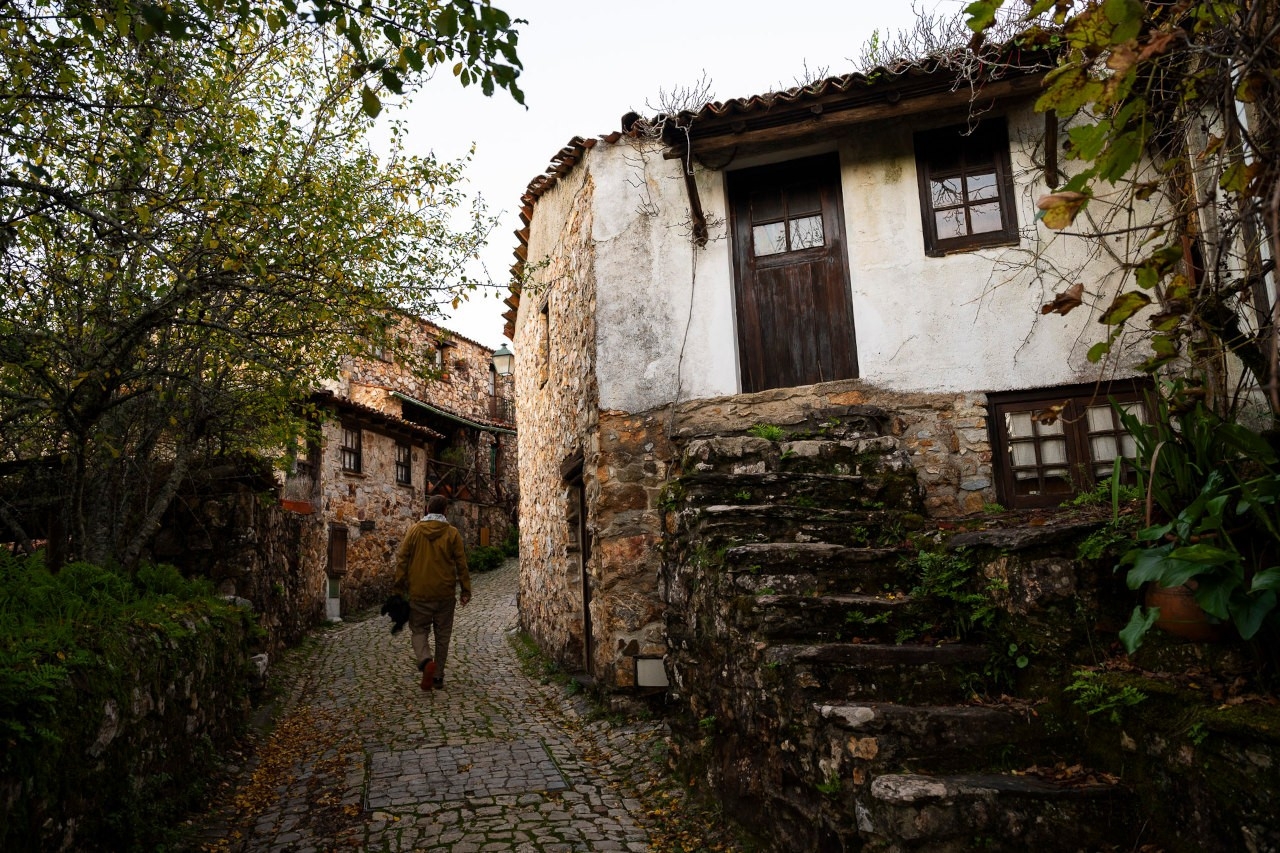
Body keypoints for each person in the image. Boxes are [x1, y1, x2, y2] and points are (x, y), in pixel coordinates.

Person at [393, 495, 471, 690]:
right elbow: (461, 563)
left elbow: (402, 560)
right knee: (443, 636)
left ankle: (426, 661)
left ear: (427, 510)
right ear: (445, 511)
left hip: (419, 594)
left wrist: (398, 588)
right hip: (444, 595)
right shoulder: (452, 534)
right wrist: (465, 590)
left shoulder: (414, 531)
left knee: (419, 630)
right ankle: (438, 677)